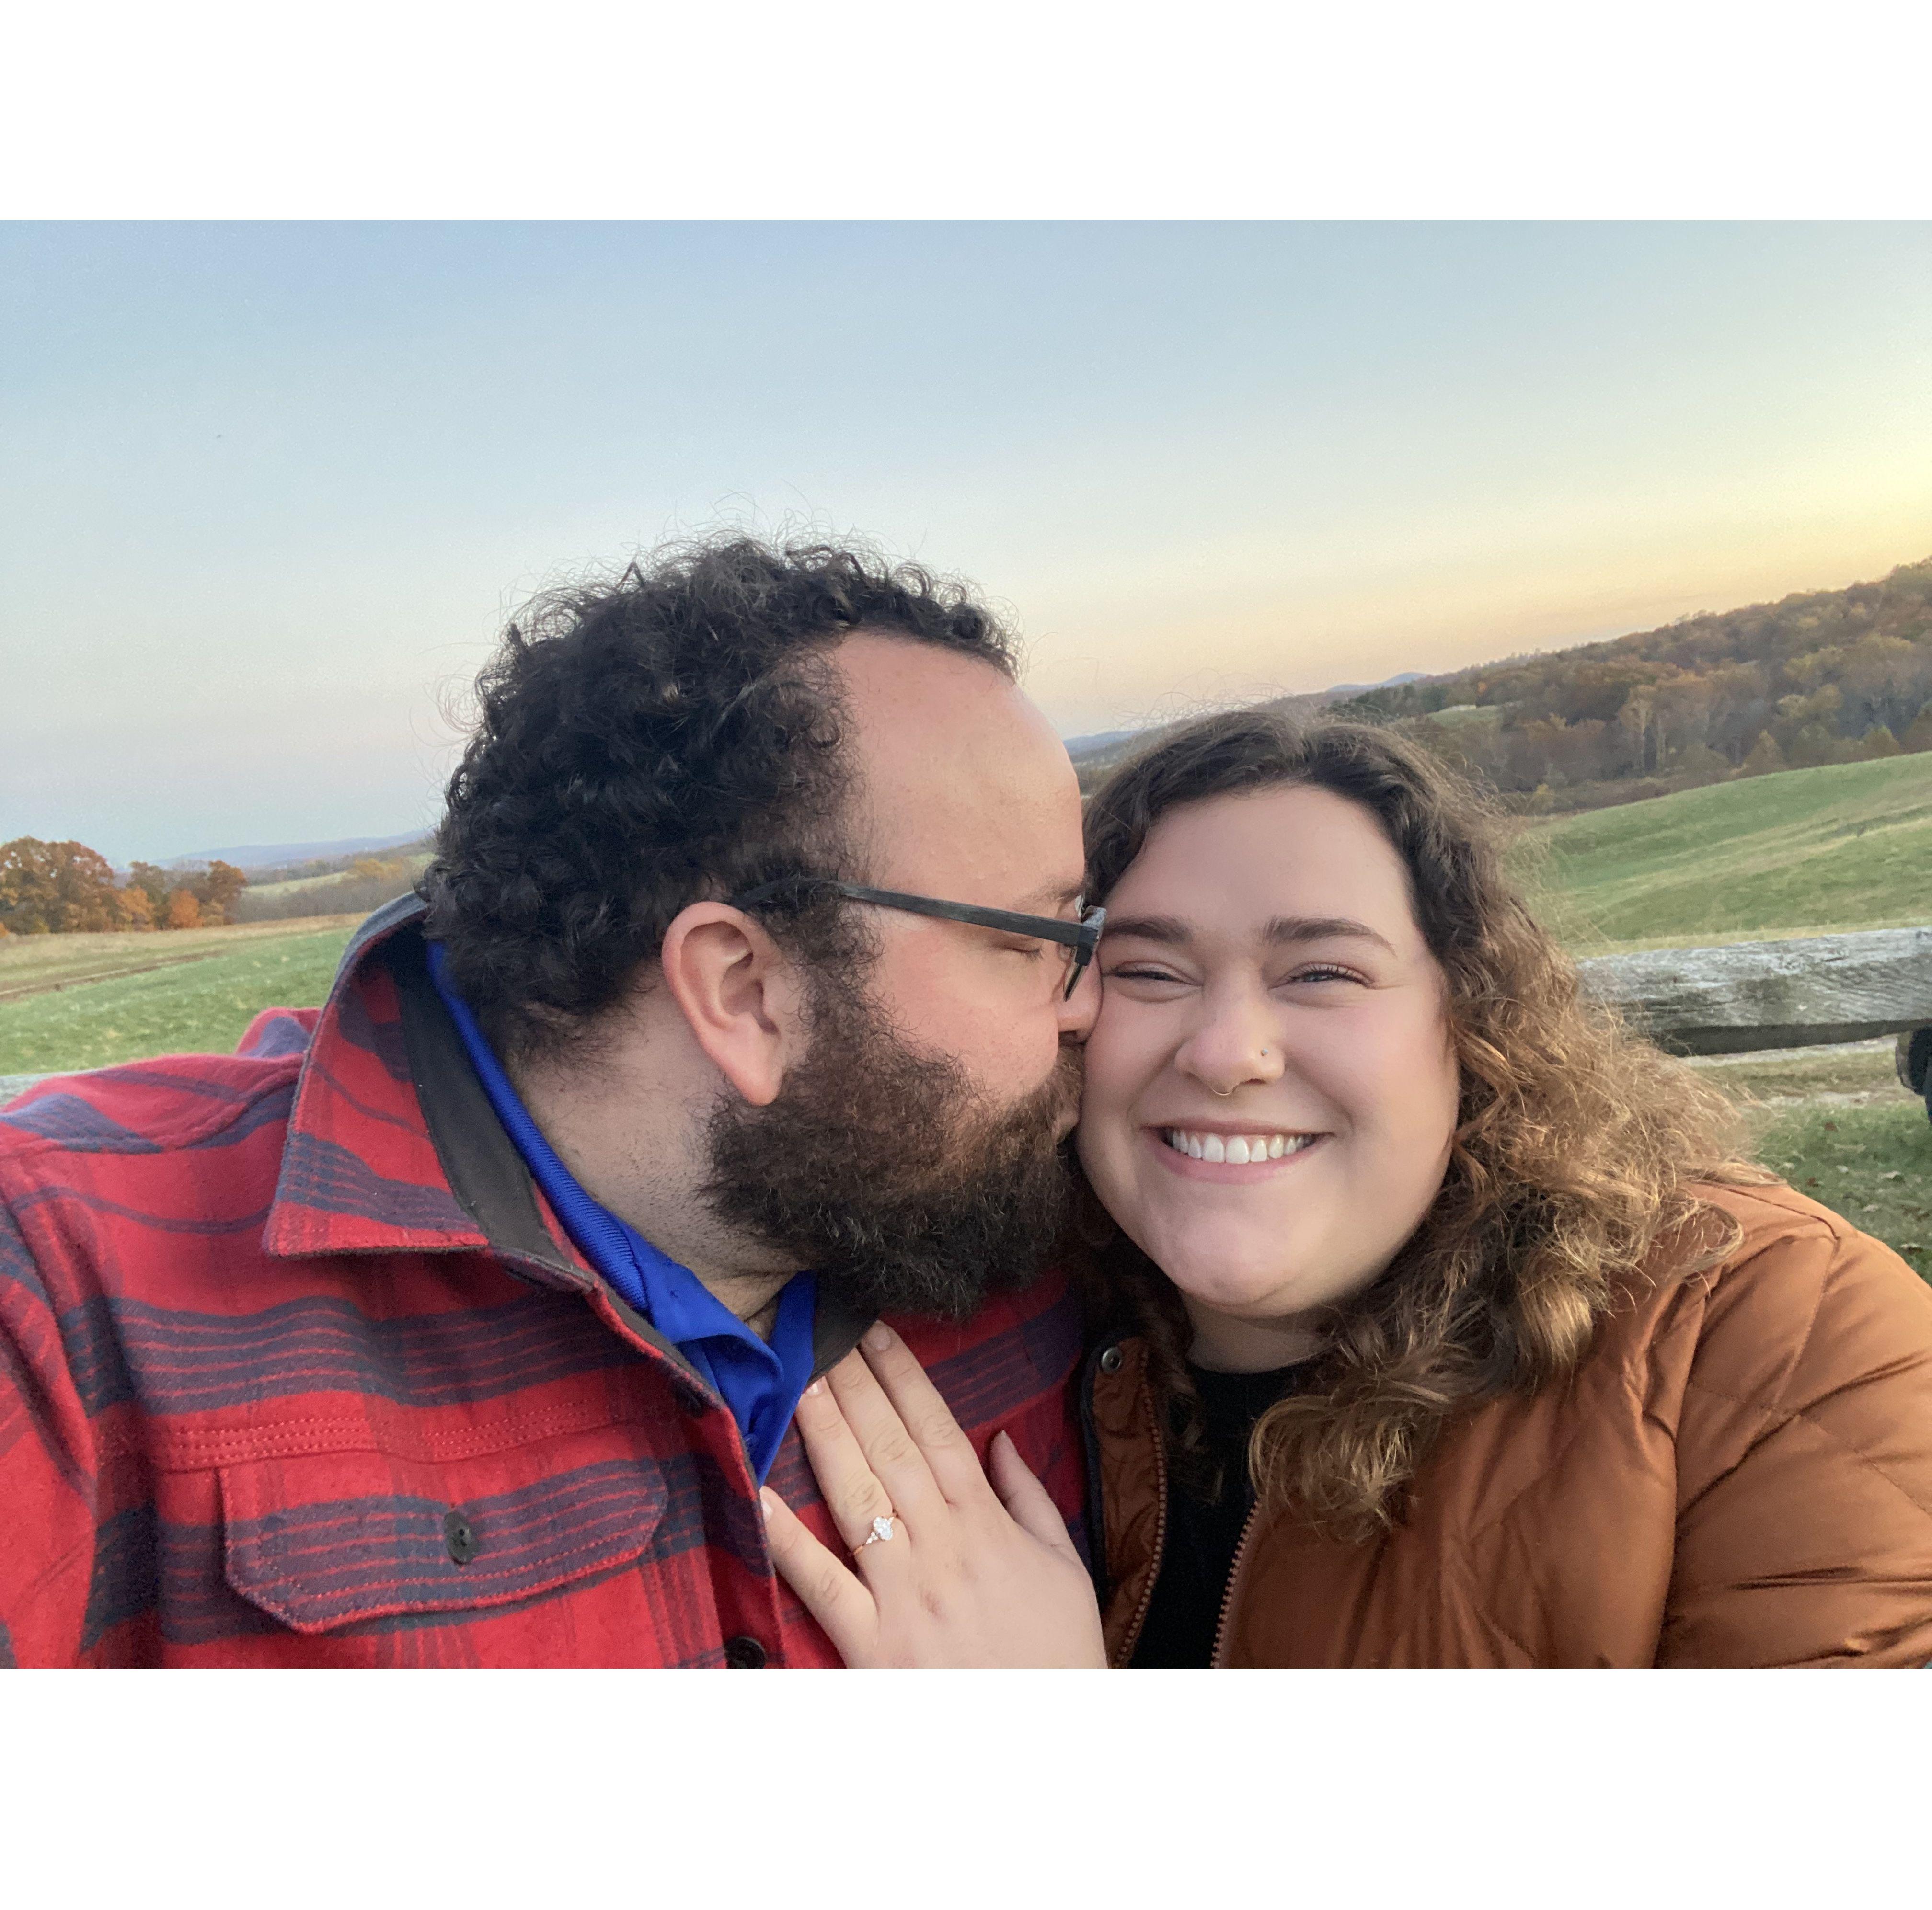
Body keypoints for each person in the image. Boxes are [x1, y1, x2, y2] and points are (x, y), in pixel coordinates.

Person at [0, 536, 1104, 1667]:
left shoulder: (1023, 1227)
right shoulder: (67, 1292)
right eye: (1044, 941)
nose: (1090, 1009)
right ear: (746, 992)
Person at [763, 709, 1932, 1666]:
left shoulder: (1778, 1346)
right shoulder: (996, 1320)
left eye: (1323, 971)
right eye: (1150, 971)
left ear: (1468, 1021)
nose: (1227, 1051)